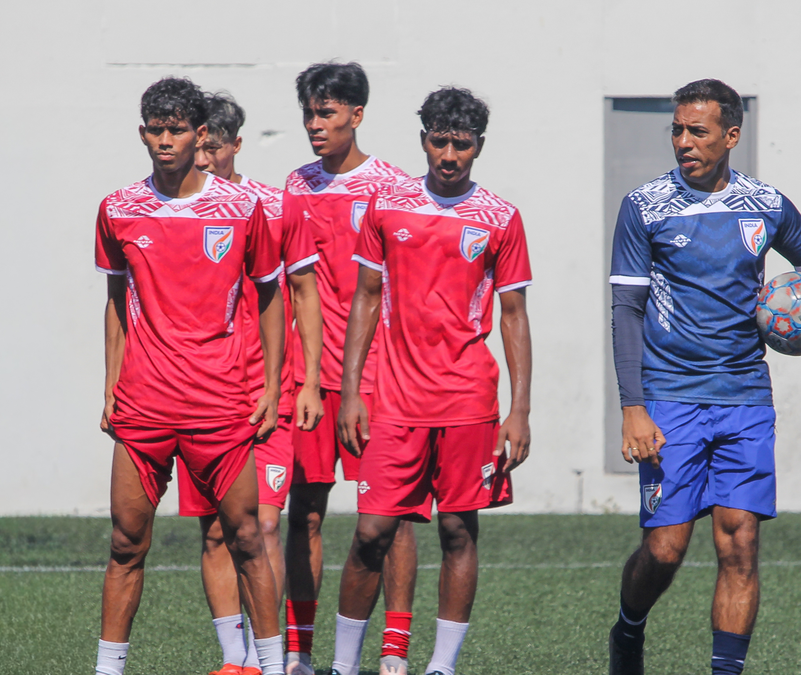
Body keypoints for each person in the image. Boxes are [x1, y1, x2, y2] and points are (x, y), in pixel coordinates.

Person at [606, 79, 801, 675]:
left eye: (698, 131)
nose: (684, 142)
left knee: (739, 543)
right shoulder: (644, 206)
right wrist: (632, 405)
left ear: (731, 136)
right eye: (677, 130)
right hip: (669, 397)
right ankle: (629, 629)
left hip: (745, 396)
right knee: (666, 550)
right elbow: (626, 311)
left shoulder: (765, 204)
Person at [92, 77, 298, 675]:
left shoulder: (242, 208)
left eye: (176, 129)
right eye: (154, 130)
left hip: (220, 406)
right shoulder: (118, 208)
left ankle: (269, 664)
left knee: (248, 540)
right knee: (126, 544)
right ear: (141, 133)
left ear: (200, 134)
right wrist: (110, 385)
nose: (164, 140)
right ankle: (108, 669)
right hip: (144, 406)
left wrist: (270, 385)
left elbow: (269, 295)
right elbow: (114, 299)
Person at [332, 86, 533, 675]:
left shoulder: (500, 218)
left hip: (469, 399)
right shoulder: (388, 206)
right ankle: (344, 666)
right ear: (423, 140)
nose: (449, 154)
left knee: (456, 530)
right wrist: (350, 393)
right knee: (371, 532)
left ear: (478, 147)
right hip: (393, 399)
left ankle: (441, 667)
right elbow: (366, 299)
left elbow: (514, 315)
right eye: (439, 141)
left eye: (461, 144)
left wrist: (518, 411)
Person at [172, 91, 325, 675]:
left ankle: (278, 655)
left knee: (263, 524)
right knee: (215, 533)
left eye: (213, 146)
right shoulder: (170, 208)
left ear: (233, 143)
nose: (204, 158)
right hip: (205, 392)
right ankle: (237, 662)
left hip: (271, 393)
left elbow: (305, 292)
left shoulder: (276, 206)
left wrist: (309, 379)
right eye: (198, 147)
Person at [281, 61, 418, 675]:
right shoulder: (295, 185)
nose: (315, 125)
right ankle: (300, 652)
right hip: (313, 379)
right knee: (305, 511)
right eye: (310, 113)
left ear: (356, 115)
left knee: (388, 518)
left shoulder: (393, 187)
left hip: (380, 381)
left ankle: (392, 653)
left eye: (327, 113)